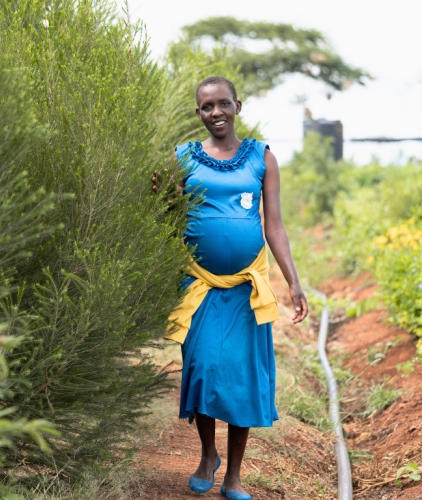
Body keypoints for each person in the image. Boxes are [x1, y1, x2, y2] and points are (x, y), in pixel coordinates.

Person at [152, 76, 308, 500]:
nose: (216, 112)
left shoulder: (262, 158)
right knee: (202, 369)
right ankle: (207, 454)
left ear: (238, 106)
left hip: (246, 287)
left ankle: (234, 475)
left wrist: (293, 281)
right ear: (198, 113)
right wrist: (161, 196)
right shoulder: (183, 158)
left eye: (223, 104)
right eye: (207, 106)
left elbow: (274, 225)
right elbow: (163, 214)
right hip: (198, 284)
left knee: (241, 378)